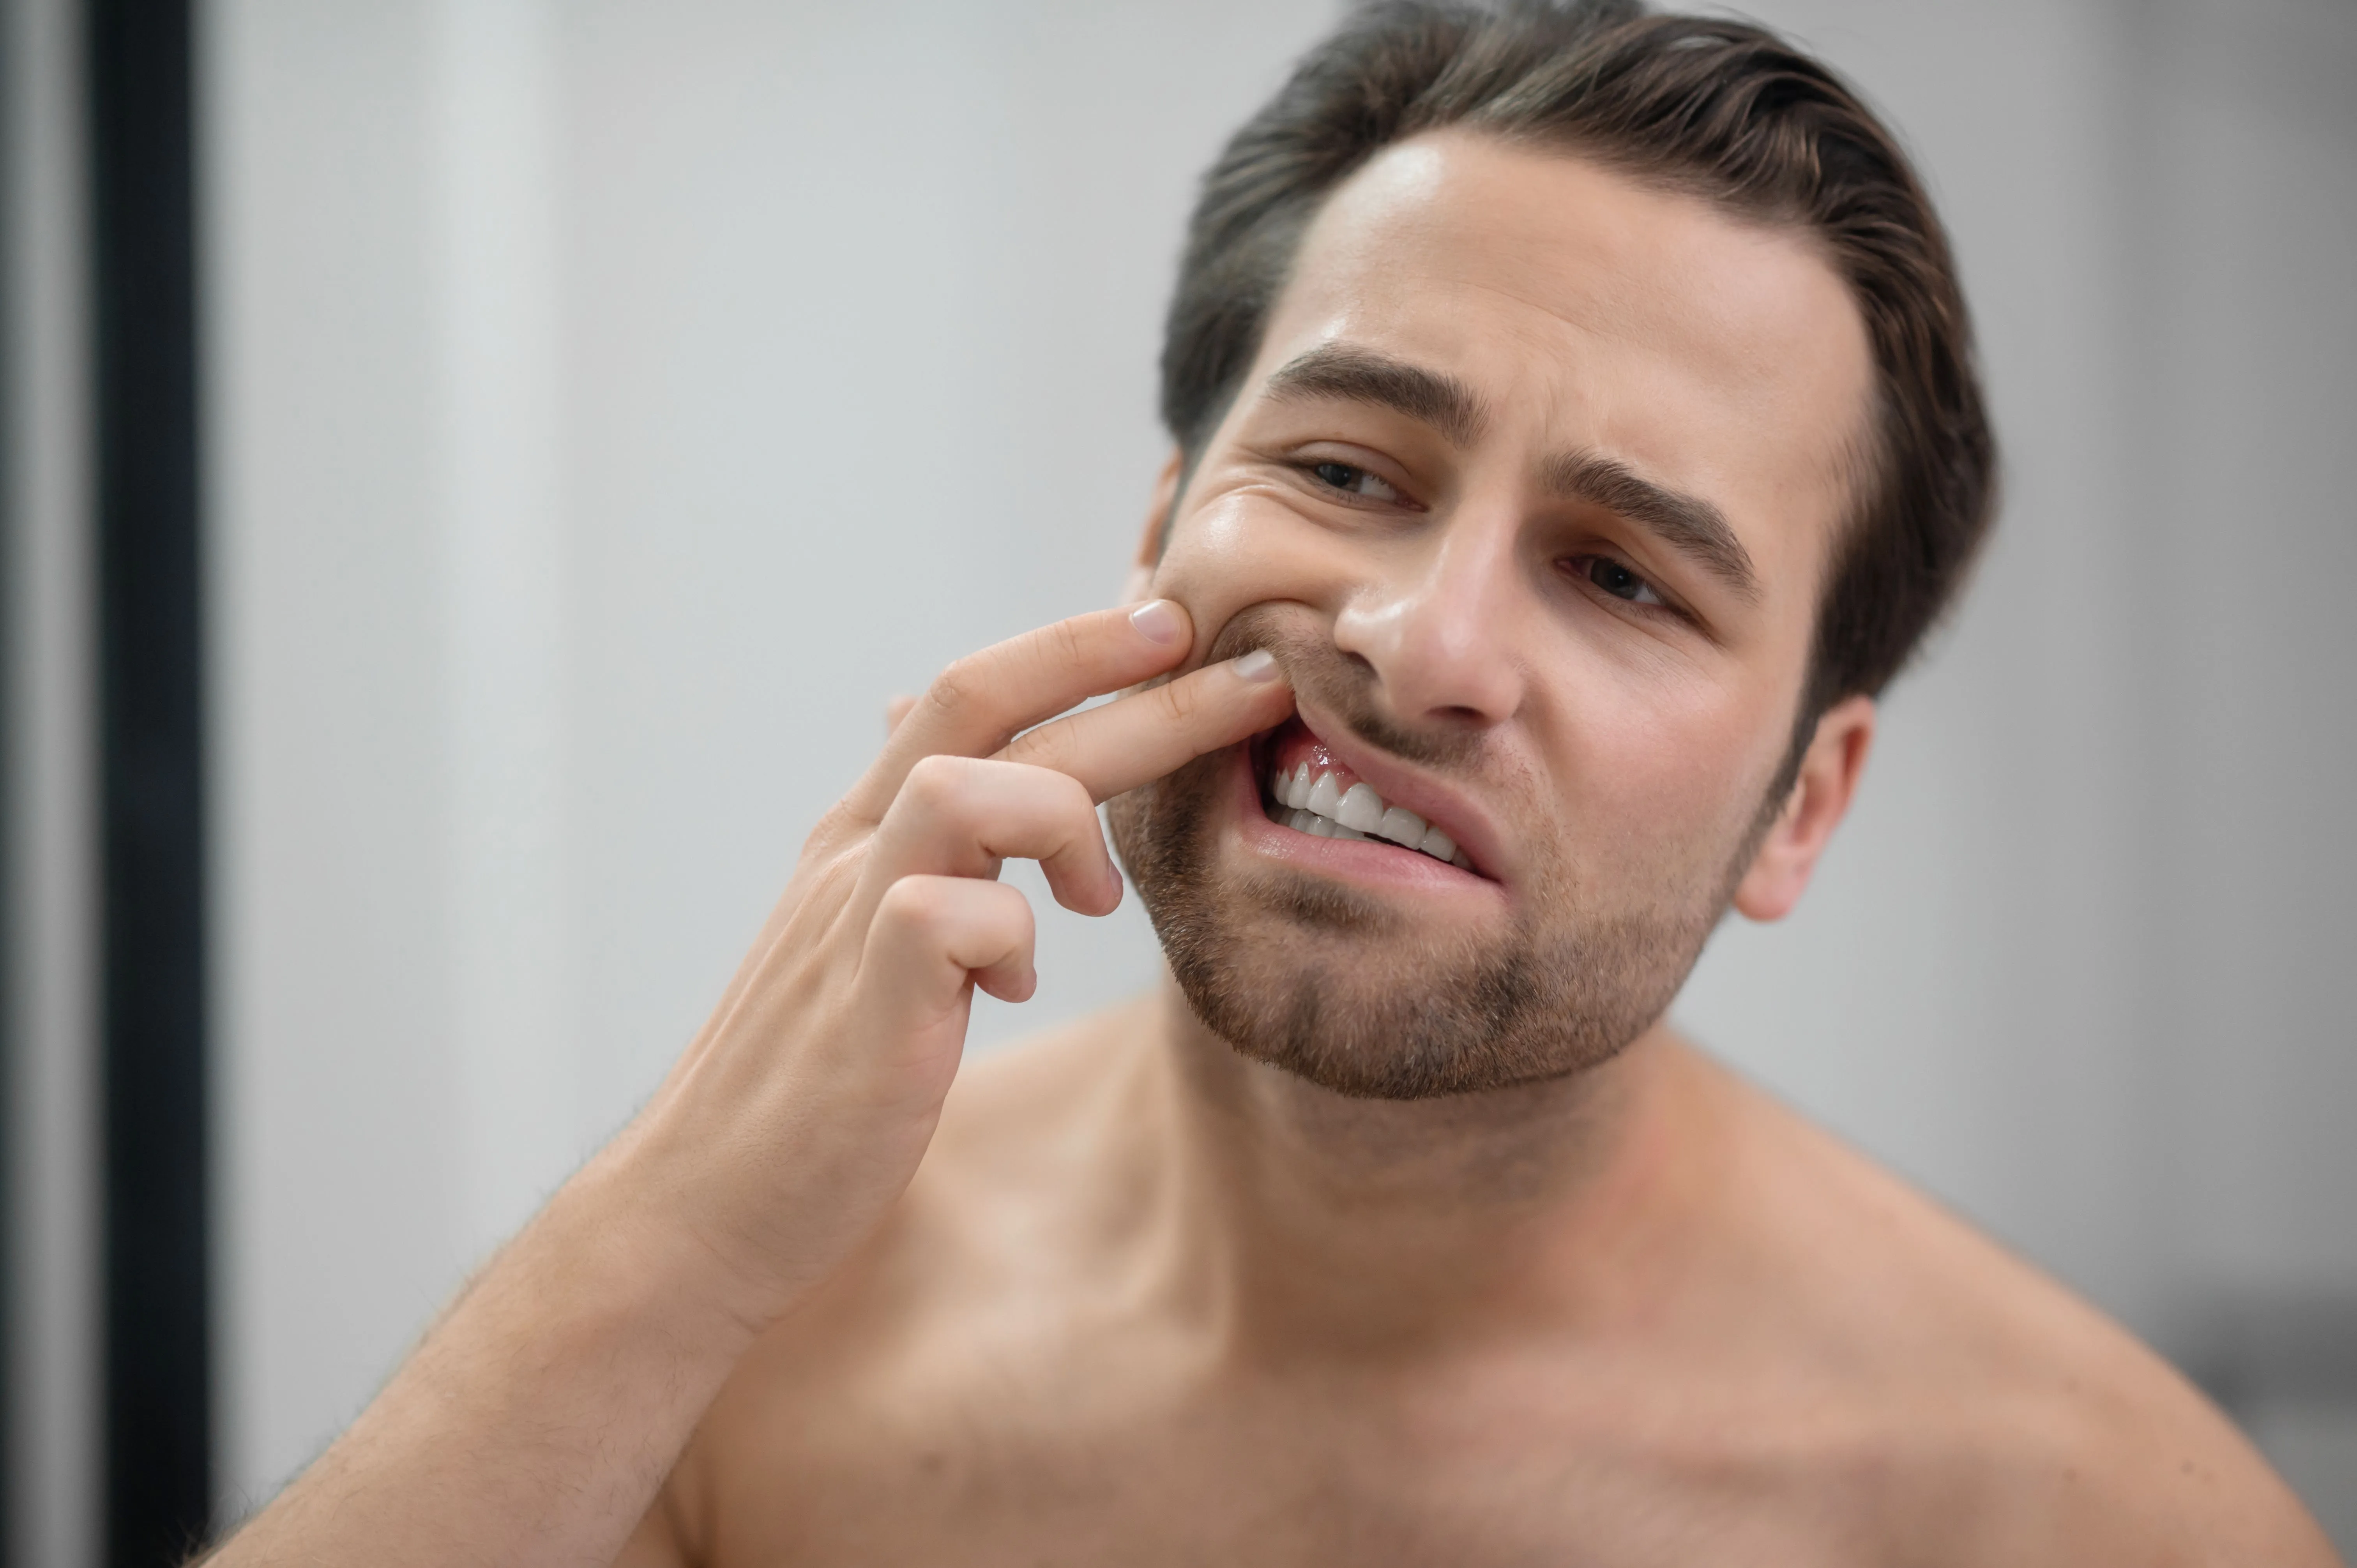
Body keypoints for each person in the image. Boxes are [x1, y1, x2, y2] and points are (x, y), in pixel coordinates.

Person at [208, 3, 2341, 1563]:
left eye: (1621, 573)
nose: (1420, 644)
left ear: (1806, 801)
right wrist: (664, 1239)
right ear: (1159, 540)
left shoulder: (2085, 1515)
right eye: (1343, 470)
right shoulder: (746, 1326)